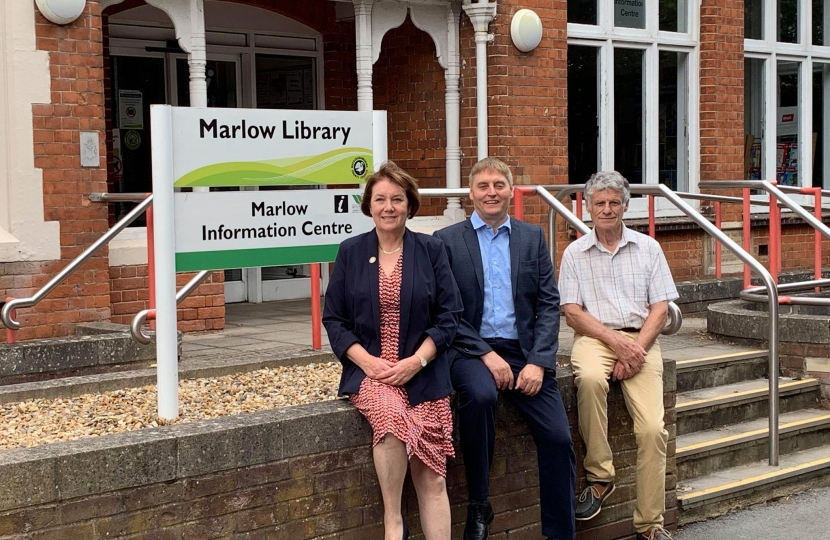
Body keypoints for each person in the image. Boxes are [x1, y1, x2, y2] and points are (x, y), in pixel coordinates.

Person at [434, 157, 576, 540]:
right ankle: (480, 505)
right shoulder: (447, 242)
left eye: (499, 185)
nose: (491, 192)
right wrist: (486, 354)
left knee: (559, 437)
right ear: (471, 194)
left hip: (525, 352)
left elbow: (548, 305)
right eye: (483, 186)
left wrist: (539, 362)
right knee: (480, 398)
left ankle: (561, 532)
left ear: (511, 191)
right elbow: (447, 312)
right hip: (470, 351)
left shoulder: (531, 238)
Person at [323, 161, 463, 540]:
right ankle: (392, 521)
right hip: (372, 373)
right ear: (369, 205)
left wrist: (417, 361)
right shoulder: (351, 251)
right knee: (388, 419)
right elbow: (334, 319)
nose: (388, 207)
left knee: (433, 478)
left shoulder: (431, 249)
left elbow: (450, 315)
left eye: (397, 199)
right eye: (380, 199)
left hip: (423, 372)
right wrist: (366, 361)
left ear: (409, 205)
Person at [558, 171, 679, 540]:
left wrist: (635, 348)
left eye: (614, 203)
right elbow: (572, 312)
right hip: (596, 338)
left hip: (641, 340)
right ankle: (600, 476)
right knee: (592, 379)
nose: (607, 209)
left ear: (625, 206)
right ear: (588, 207)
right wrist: (616, 343)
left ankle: (650, 524)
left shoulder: (648, 247)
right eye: (600, 203)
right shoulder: (574, 253)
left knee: (652, 429)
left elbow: (660, 308)